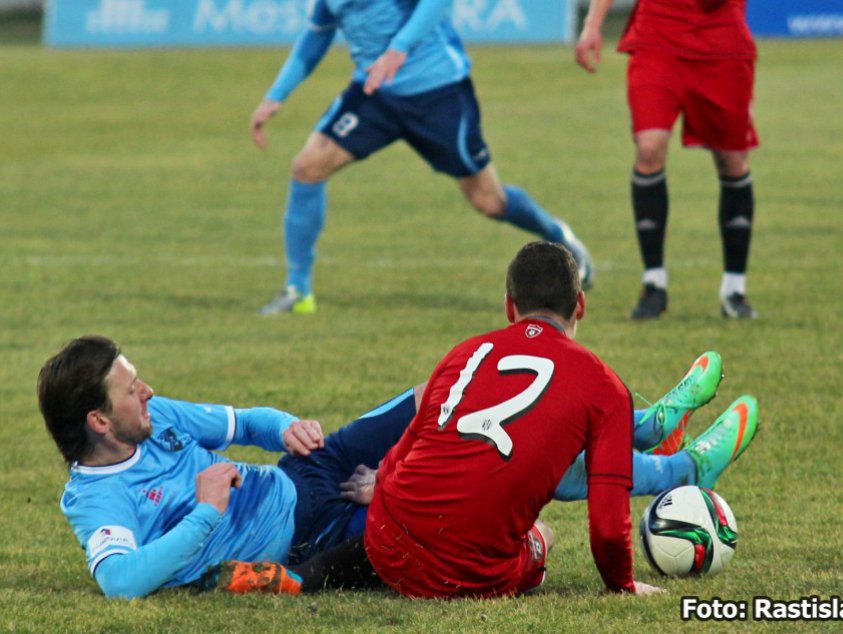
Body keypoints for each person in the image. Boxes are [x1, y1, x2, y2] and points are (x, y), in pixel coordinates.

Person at [38, 295, 756, 599]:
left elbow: (241, 422)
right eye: (130, 391)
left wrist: (282, 424)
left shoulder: (157, 416)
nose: (149, 393)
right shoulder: (99, 498)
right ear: (98, 423)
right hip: (309, 534)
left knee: (442, 398)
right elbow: (120, 583)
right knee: (495, 464)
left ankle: (648, 423)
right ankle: (683, 467)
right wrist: (202, 513)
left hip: (306, 471)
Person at [351, 242, 757, 599]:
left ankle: (664, 445)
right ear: (580, 304)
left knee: (539, 440)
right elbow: (607, 528)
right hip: (470, 578)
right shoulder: (603, 384)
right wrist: (622, 585)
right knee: (544, 531)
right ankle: (677, 462)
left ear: (510, 306)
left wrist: (384, 484)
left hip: (385, 546)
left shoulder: (463, 354)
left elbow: (407, 445)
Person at [250, 0, 594, 315]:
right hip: (374, 93)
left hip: (437, 91)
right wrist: (275, 96)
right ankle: (298, 291)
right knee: (307, 166)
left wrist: (399, 47)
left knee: (489, 201)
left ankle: (562, 240)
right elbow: (316, 35)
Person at [575, 0, 760, 319]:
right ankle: (654, 283)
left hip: (722, 38)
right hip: (657, 33)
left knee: (732, 161)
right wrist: (593, 25)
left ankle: (734, 289)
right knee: (648, 149)